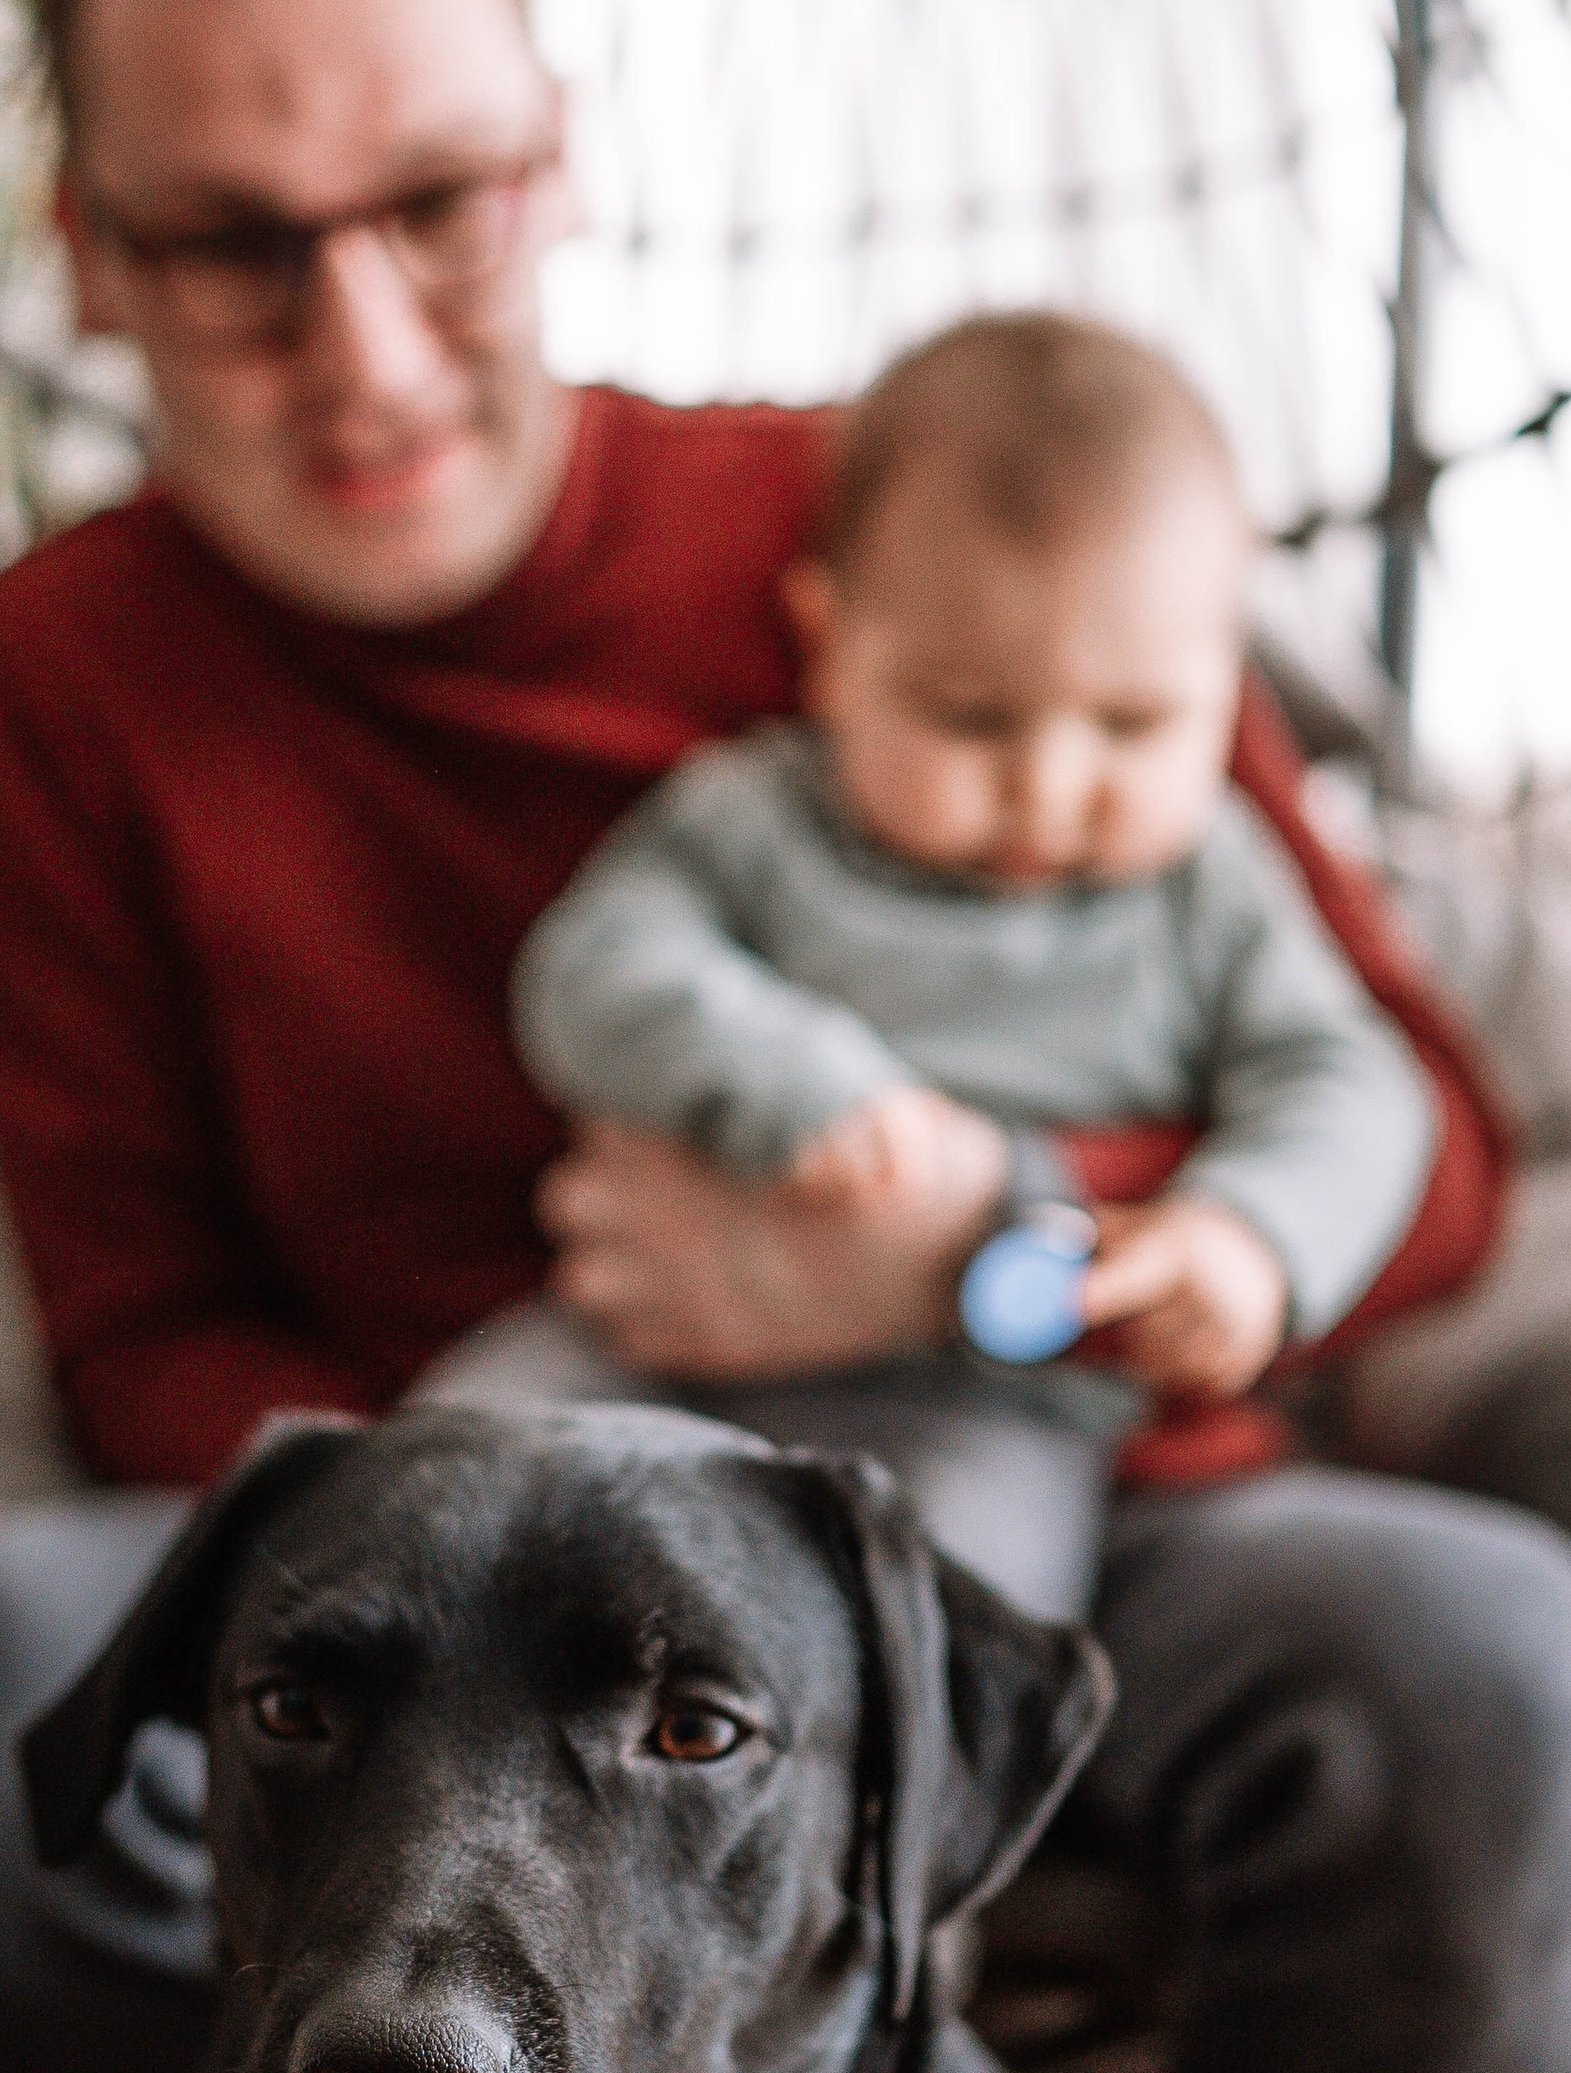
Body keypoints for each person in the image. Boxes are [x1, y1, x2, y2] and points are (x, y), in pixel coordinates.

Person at [0, 0, 1571, 2073]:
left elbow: (1418, 1154)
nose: (364, 338)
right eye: (227, 242)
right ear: (79, 245)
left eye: (438, 204)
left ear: (554, 161)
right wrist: (442, 1538)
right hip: (440, 1546)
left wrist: (980, 1263)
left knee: (1501, 1669)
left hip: (1033, 1527)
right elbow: (142, 1320)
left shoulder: (906, 515)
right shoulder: (57, 685)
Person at [456, 310, 1435, 1619]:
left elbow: (1358, 1079)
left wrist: (1249, 1234)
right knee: (447, 1478)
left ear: (1225, 682)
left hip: (990, 1406)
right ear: (831, 649)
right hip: (651, 1342)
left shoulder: (1210, 885)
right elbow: (588, 971)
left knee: (950, 1616)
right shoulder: (759, 818)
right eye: (969, 714)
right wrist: (793, 1077)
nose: (1047, 786)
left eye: (1134, 722)